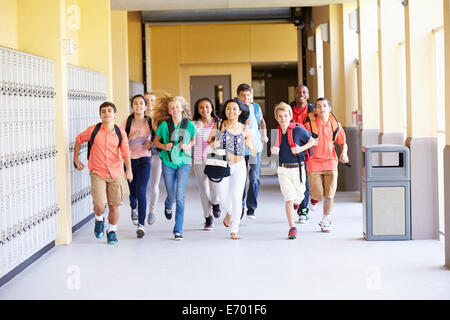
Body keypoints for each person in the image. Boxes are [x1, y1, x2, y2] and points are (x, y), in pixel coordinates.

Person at [73, 101, 132, 244]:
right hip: (97, 172)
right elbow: (79, 139)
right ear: (100, 115)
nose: (106, 113)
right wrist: (75, 158)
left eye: (109, 111)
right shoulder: (93, 130)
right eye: (103, 111)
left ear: (114, 114)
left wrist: (128, 169)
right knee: (100, 205)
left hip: (115, 172)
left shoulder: (120, 133)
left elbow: (125, 153)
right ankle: (99, 219)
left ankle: (112, 231)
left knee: (114, 205)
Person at [208, 99, 256, 240]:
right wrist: (213, 142)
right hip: (222, 165)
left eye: (235, 109)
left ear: (240, 111)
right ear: (225, 111)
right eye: (229, 108)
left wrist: (250, 146)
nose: (232, 111)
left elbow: (253, 152)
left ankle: (234, 229)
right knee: (222, 197)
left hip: (239, 166)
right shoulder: (219, 125)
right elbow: (209, 141)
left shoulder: (244, 129)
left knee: (236, 197)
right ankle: (229, 212)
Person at [152, 95, 197, 241]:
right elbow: (156, 141)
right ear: (169, 111)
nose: (175, 109)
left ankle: (178, 230)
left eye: (177, 106)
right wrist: (164, 146)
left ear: (182, 109)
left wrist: (188, 146)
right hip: (168, 163)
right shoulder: (164, 125)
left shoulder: (188, 124)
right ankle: (168, 203)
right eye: (172, 108)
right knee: (171, 195)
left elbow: (193, 139)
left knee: (180, 197)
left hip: (184, 162)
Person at [270, 103, 317, 239]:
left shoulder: (298, 130)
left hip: (298, 168)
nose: (283, 118)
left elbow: (313, 141)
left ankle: (297, 204)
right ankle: (292, 227)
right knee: (288, 199)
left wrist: (300, 149)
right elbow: (273, 149)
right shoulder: (276, 132)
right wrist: (273, 151)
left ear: (290, 116)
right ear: (277, 118)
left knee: (300, 196)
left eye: (286, 115)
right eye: (280, 116)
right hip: (283, 169)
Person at [304, 97, 349, 232]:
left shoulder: (336, 126)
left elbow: (343, 143)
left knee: (330, 194)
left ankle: (326, 219)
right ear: (315, 110)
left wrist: (344, 153)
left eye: (324, 106)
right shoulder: (309, 126)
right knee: (317, 193)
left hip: (331, 162)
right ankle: (314, 199)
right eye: (318, 106)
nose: (322, 108)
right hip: (313, 163)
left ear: (329, 109)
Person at [120, 94, 153, 238]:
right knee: (133, 193)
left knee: (141, 191)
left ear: (145, 106)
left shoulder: (150, 121)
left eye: (141, 103)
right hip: (129, 160)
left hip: (145, 160)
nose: (138, 106)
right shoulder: (127, 122)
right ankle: (133, 206)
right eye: (135, 103)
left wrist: (151, 144)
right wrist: (131, 138)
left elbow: (158, 138)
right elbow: (119, 140)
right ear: (132, 106)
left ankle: (141, 225)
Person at [236, 83, 269, 220]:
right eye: (243, 95)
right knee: (241, 179)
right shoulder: (235, 108)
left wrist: (264, 134)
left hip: (255, 147)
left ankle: (251, 207)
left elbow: (261, 121)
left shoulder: (255, 107)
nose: (245, 98)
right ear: (238, 96)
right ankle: (240, 206)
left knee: (254, 177)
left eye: (248, 95)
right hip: (239, 149)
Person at [192, 97, 222, 230]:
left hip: (215, 159)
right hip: (199, 160)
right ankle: (208, 217)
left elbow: (223, 140)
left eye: (207, 106)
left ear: (212, 108)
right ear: (198, 110)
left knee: (215, 188)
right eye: (201, 107)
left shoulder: (219, 123)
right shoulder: (194, 124)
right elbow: (190, 140)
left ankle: (216, 203)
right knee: (203, 190)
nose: (204, 109)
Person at [289, 84, 316, 224]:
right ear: (294, 94)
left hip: (307, 150)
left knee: (304, 180)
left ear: (308, 95)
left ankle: (303, 210)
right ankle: (297, 202)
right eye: (298, 92)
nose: (301, 94)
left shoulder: (313, 111)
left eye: (304, 92)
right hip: (291, 150)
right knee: (294, 180)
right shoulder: (288, 109)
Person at [144, 92, 161, 225]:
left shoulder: (160, 119)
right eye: (146, 100)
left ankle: (152, 211)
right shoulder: (135, 119)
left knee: (154, 185)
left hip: (155, 154)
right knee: (141, 186)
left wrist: (153, 143)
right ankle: (140, 210)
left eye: (152, 100)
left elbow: (164, 137)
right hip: (140, 155)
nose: (149, 103)